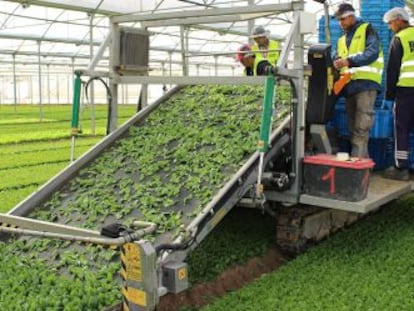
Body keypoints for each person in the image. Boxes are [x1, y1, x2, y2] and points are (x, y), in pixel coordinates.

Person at [333, 3, 383, 158]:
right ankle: (362, 164)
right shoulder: (341, 39)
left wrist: (349, 61)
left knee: (361, 127)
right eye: (339, 20)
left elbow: (372, 52)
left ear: (351, 16)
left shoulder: (367, 29)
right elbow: (338, 57)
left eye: (343, 19)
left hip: (366, 84)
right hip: (350, 86)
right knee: (353, 128)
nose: (341, 23)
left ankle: (357, 162)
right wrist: (336, 61)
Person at [382, 7, 414, 181]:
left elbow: (392, 70)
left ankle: (401, 168)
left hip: (406, 92)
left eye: (391, 23)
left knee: (401, 129)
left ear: (399, 20)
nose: (389, 27)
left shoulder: (400, 38)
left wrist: (389, 97)